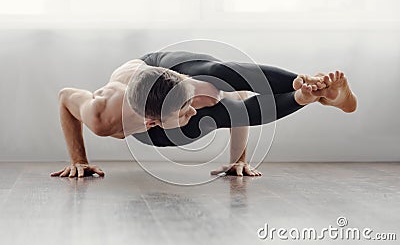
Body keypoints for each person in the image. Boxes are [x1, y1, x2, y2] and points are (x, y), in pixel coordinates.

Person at [51, 51, 357, 178]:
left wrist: (239, 160)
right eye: (186, 109)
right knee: (215, 114)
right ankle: (304, 97)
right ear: (153, 122)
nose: (195, 107)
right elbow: (66, 97)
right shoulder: (101, 116)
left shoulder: (195, 89)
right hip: (152, 111)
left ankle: (305, 85)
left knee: (216, 75)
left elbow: (236, 93)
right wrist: (78, 159)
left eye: (189, 101)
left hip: (165, 70)